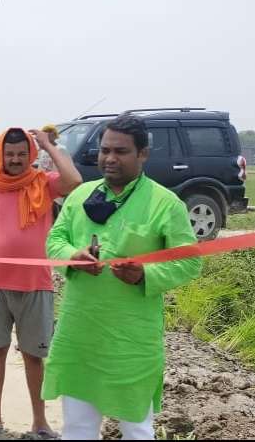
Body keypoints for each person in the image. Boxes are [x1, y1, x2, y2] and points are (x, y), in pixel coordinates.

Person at [43, 115, 202, 440]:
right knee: (77, 427)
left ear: (143, 154)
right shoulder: (80, 195)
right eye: (105, 150)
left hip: (130, 341)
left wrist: (145, 274)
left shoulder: (164, 203)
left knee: (136, 428)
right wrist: (73, 257)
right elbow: (54, 241)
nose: (110, 158)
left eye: (121, 151)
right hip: (80, 334)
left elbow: (188, 262)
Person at [0, 127, 82, 440]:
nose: (15, 160)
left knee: (34, 356)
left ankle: (40, 423)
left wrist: (47, 146)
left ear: (29, 155)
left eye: (21, 154)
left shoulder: (42, 182)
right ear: (0, 154)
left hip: (36, 285)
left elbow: (74, 181)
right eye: (9, 154)